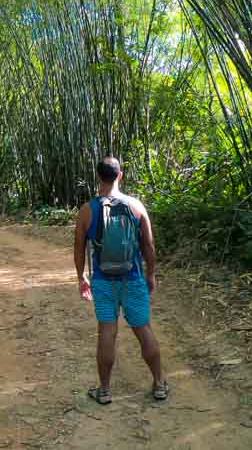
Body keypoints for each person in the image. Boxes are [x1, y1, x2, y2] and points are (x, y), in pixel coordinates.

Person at [73, 156, 168, 404]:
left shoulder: (87, 210)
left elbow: (78, 247)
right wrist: (150, 274)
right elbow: (148, 245)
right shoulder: (136, 206)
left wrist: (81, 276)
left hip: (103, 281)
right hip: (133, 277)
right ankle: (159, 384)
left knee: (107, 331)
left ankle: (104, 390)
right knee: (143, 329)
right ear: (120, 175)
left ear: (98, 177)